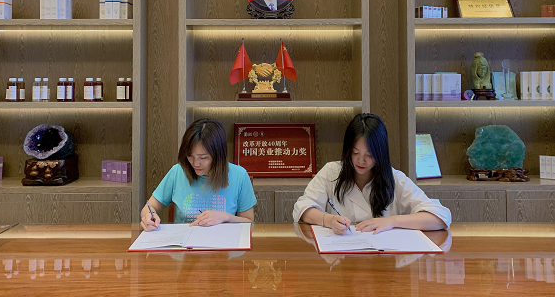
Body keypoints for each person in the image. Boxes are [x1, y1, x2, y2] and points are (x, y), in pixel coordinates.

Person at [293, 113, 451, 235]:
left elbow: (440, 216)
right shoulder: (331, 172)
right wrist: (328, 220)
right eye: (355, 153)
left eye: (369, 155)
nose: (361, 160)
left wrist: (391, 222)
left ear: (381, 153)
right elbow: (303, 208)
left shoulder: (395, 179)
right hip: (342, 258)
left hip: (384, 260)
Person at [140, 118, 257, 231]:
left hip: (224, 242)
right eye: (190, 156)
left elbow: (249, 221)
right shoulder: (178, 172)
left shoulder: (239, 175)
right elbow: (149, 208)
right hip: (184, 241)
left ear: (218, 155)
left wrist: (226, 217)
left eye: (203, 158)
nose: (195, 163)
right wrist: (149, 217)